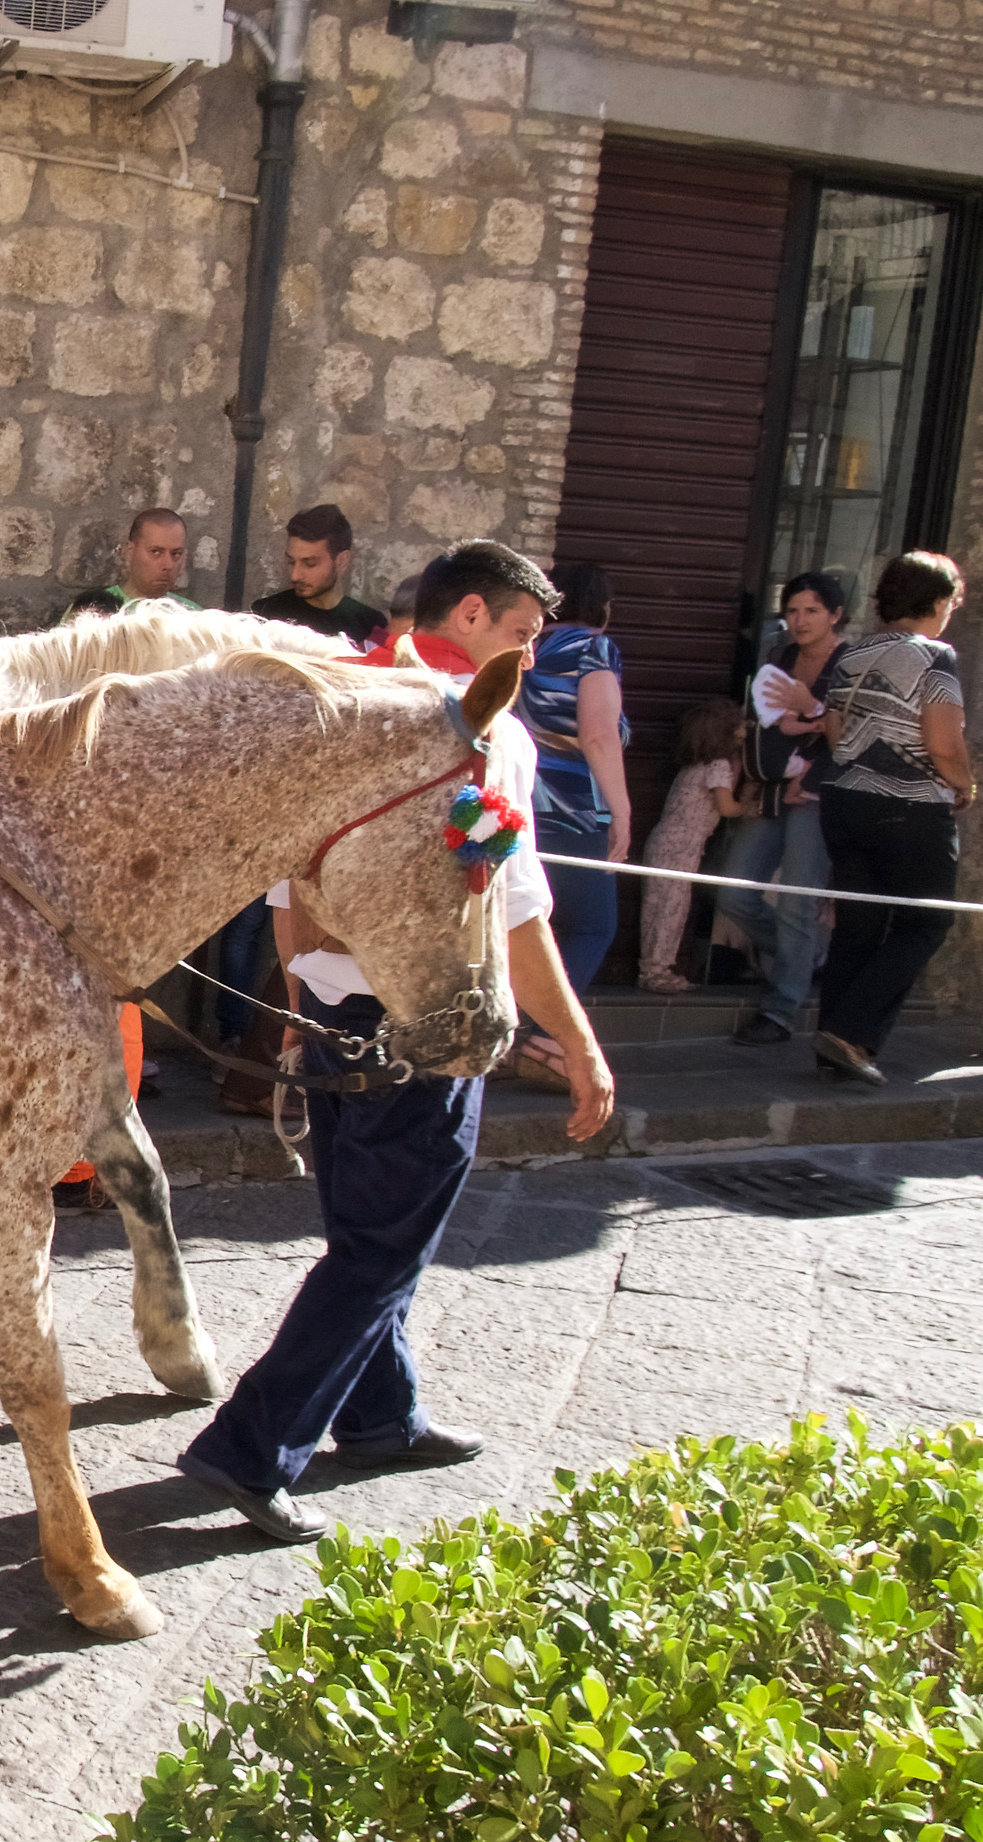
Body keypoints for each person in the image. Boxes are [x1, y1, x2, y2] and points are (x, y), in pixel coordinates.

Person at [177, 540, 615, 1544]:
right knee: (380, 1250)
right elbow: (515, 914)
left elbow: (289, 887)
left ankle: (380, 1416)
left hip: (335, 1015)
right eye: (518, 634)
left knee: (366, 1232)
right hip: (425, 1020)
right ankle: (249, 1447)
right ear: (468, 614)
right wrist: (581, 1048)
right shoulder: (481, 735)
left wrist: (299, 1014)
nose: (528, 660)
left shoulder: (347, 702)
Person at [811, 552, 972, 1085]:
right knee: (926, 920)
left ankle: (831, 1040)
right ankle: (853, 1035)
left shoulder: (854, 653)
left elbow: (834, 733)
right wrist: (965, 784)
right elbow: (943, 742)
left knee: (858, 924)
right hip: (908, 806)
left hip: (843, 800)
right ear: (940, 600)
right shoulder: (935, 657)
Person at [717, 571, 849, 1046]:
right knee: (733, 891)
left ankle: (780, 1010)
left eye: (811, 610)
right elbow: (764, 724)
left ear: (835, 614)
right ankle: (806, 957)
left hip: (818, 795)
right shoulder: (781, 656)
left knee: (797, 901)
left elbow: (849, 739)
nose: (799, 620)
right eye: (792, 610)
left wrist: (810, 705)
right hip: (772, 791)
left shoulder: (851, 663)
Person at [513, 560, 630, 1064]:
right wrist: (622, 811)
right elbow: (600, 734)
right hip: (575, 812)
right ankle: (535, 1035)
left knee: (528, 920)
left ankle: (513, 1029)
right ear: (603, 608)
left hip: (520, 806)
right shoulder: (594, 648)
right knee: (592, 925)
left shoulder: (529, 649)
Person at [635, 699, 750, 994]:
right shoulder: (719, 766)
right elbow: (727, 808)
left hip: (666, 842)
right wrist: (752, 803)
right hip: (681, 847)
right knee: (670, 909)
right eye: (739, 723)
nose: (746, 727)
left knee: (659, 906)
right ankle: (655, 973)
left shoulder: (695, 764)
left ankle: (653, 969)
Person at [251, 504, 383, 647]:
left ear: (341, 561)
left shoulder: (369, 625)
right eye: (291, 562)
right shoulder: (266, 614)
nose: (295, 576)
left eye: (310, 564)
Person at [109, 509, 196, 610]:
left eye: (176, 554)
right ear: (130, 552)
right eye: (155, 552)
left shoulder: (191, 616)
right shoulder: (97, 611)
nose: (169, 565)